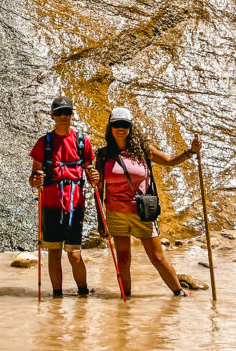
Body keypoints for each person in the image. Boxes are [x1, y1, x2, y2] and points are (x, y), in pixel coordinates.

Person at [96, 106, 200, 298]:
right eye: (117, 124)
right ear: (110, 127)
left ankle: (179, 294)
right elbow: (98, 189)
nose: (121, 128)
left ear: (130, 127)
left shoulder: (143, 150)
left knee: (157, 257)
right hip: (115, 214)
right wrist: (100, 220)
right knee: (123, 259)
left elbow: (169, 161)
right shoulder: (103, 155)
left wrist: (190, 152)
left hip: (142, 212)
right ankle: (126, 300)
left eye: (125, 124)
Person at [29, 96, 100, 297]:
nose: (63, 116)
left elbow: (91, 173)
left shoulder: (82, 142)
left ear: (72, 114)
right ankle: (57, 295)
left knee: (74, 253)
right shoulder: (43, 143)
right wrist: (36, 180)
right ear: (53, 116)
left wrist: (95, 176)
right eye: (59, 113)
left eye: (66, 112)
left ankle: (83, 293)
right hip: (50, 205)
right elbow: (33, 178)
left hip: (75, 206)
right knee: (54, 252)